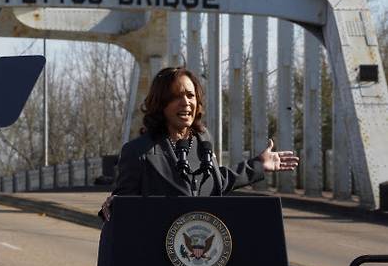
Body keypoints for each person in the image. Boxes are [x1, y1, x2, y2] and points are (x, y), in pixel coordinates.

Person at [99, 66, 299, 221]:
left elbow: (215, 182)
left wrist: (258, 165)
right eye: (176, 96)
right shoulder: (138, 151)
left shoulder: (202, 141)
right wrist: (115, 204)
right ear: (160, 104)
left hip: (203, 255)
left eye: (190, 95)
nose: (186, 102)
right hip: (158, 255)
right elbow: (122, 208)